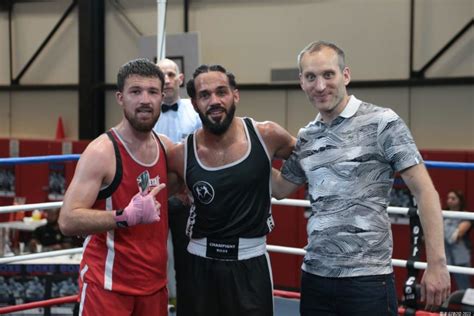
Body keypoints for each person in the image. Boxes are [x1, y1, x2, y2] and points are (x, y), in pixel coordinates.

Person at [271, 41, 451, 315]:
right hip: (315, 278)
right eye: (311, 77)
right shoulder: (308, 136)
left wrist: (437, 263)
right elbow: (281, 188)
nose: (320, 86)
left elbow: (425, 191)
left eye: (328, 74)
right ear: (301, 82)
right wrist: (245, 149)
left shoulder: (383, 122)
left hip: (367, 281)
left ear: (345, 75)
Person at [167, 64, 295, 316]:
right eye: (205, 95)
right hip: (199, 262)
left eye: (221, 92)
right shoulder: (180, 154)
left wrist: (266, 176)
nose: (214, 101)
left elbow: (309, 160)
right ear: (194, 103)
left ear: (235, 95)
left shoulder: (267, 135)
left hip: (251, 261)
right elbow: (156, 189)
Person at [58, 58, 173, 316]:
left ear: (162, 97)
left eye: (153, 92)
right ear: (121, 98)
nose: (145, 99)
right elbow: (67, 220)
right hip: (108, 285)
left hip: (154, 287)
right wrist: (125, 216)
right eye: (135, 92)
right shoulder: (102, 151)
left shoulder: (166, 147)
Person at [153, 58, 201, 314]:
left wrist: (190, 189)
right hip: (153, 199)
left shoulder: (194, 112)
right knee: (150, 260)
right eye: (162, 75)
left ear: (180, 79)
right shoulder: (146, 112)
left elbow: (205, 153)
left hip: (186, 199)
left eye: (171, 74)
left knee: (186, 262)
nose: (167, 80)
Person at [444, 190, 472, 290]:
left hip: (461, 258)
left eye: (453, 198)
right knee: (439, 287)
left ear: (460, 201)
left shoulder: (466, 216)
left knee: (464, 289)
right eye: (448, 198)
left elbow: (453, 237)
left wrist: (440, 226)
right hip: (445, 258)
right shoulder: (442, 214)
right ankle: (440, 306)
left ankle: (469, 306)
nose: (449, 201)